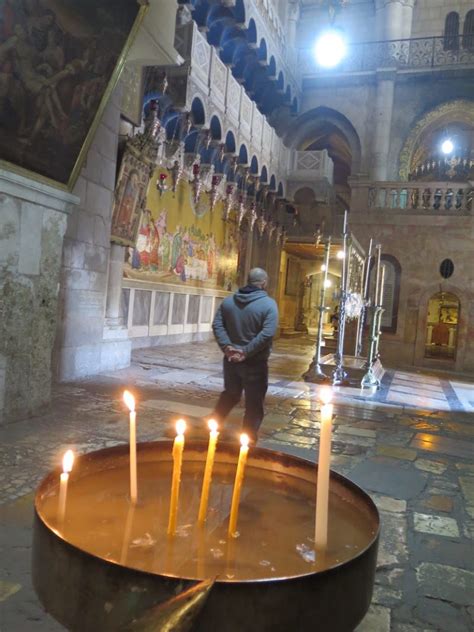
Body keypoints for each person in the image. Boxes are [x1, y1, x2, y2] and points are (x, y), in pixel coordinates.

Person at [210, 268, 279, 444]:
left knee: (231, 394)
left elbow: (217, 325)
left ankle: (213, 425)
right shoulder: (269, 304)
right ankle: (247, 439)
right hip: (255, 362)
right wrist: (246, 351)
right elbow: (267, 334)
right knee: (254, 402)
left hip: (231, 361)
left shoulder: (228, 301)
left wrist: (228, 348)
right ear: (264, 283)